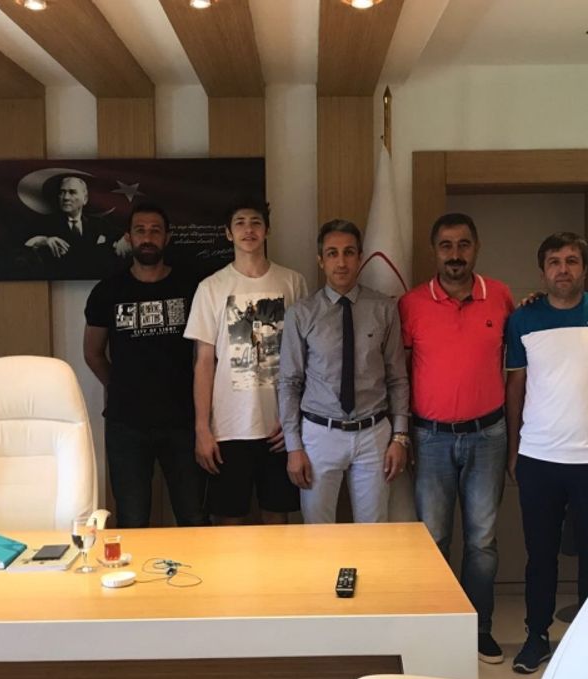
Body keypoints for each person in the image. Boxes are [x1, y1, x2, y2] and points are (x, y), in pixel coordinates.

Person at [504, 232, 588, 674]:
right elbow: (515, 388)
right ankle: (536, 636)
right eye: (554, 261)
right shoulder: (523, 318)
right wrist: (514, 449)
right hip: (539, 457)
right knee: (541, 555)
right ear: (542, 272)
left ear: (585, 269)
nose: (563, 269)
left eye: (572, 260)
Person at [399, 212, 514, 664]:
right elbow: (399, 375)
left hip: (488, 435)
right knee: (434, 539)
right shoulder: (411, 304)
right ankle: (438, 630)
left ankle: (478, 629)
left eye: (463, 244)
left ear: (476, 247)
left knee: (482, 540)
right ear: (434, 251)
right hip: (431, 439)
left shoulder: (501, 296)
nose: (455, 254)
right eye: (446, 245)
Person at [83, 202, 208, 528]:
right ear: (129, 237)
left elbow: (206, 355)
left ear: (167, 237)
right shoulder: (107, 291)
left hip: (183, 420)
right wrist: (118, 386)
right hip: (127, 424)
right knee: (132, 518)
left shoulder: (192, 288)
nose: (148, 237)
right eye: (140, 230)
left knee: (194, 515)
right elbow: (93, 353)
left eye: (155, 231)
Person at [184, 198, 308, 525]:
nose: (248, 230)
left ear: (267, 230)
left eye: (255, 222)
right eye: (240, 223)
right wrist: (202, 428)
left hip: (279, 427)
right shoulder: (211, 288)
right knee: (229, 523)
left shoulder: (292, 282)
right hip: (228, 428)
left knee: (278, 520)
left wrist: (295, 419)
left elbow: (305, 357)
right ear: (228, 233)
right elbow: (203, 362)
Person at [277, 219, 410, 524]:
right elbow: (289, 383)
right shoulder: (301, 313)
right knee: (318, 532)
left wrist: (400, 436)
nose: (341, 262)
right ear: (320, 260)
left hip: (373, 434)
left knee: (373, 532)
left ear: (360, 258)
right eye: (332, 253)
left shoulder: (384, 309)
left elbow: (397, 378)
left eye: (349, 252)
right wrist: (293, 446)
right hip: (319, 435)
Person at [24, 175, 122, 279]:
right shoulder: (44, 223)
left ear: (85, 199)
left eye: (72, 192)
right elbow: (22, 247)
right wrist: (44, 240)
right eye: (62, 192)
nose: (65, 197)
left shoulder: (99, 224)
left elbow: (123, 237)